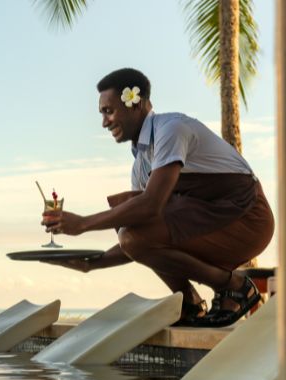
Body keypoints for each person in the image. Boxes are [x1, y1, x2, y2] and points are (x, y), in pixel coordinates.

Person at [41, 68, 274, 328]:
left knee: (135, 212)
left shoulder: (171, 129)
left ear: (135, 102)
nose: (104, 122)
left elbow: (150, 207)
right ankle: (188, 302)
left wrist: (83, 224)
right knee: (130, 215)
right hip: (209, 222)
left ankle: (234, 287)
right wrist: (92, 264)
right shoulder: (141, 163)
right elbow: (138, 242)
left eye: (109, 111)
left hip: (248, 220)